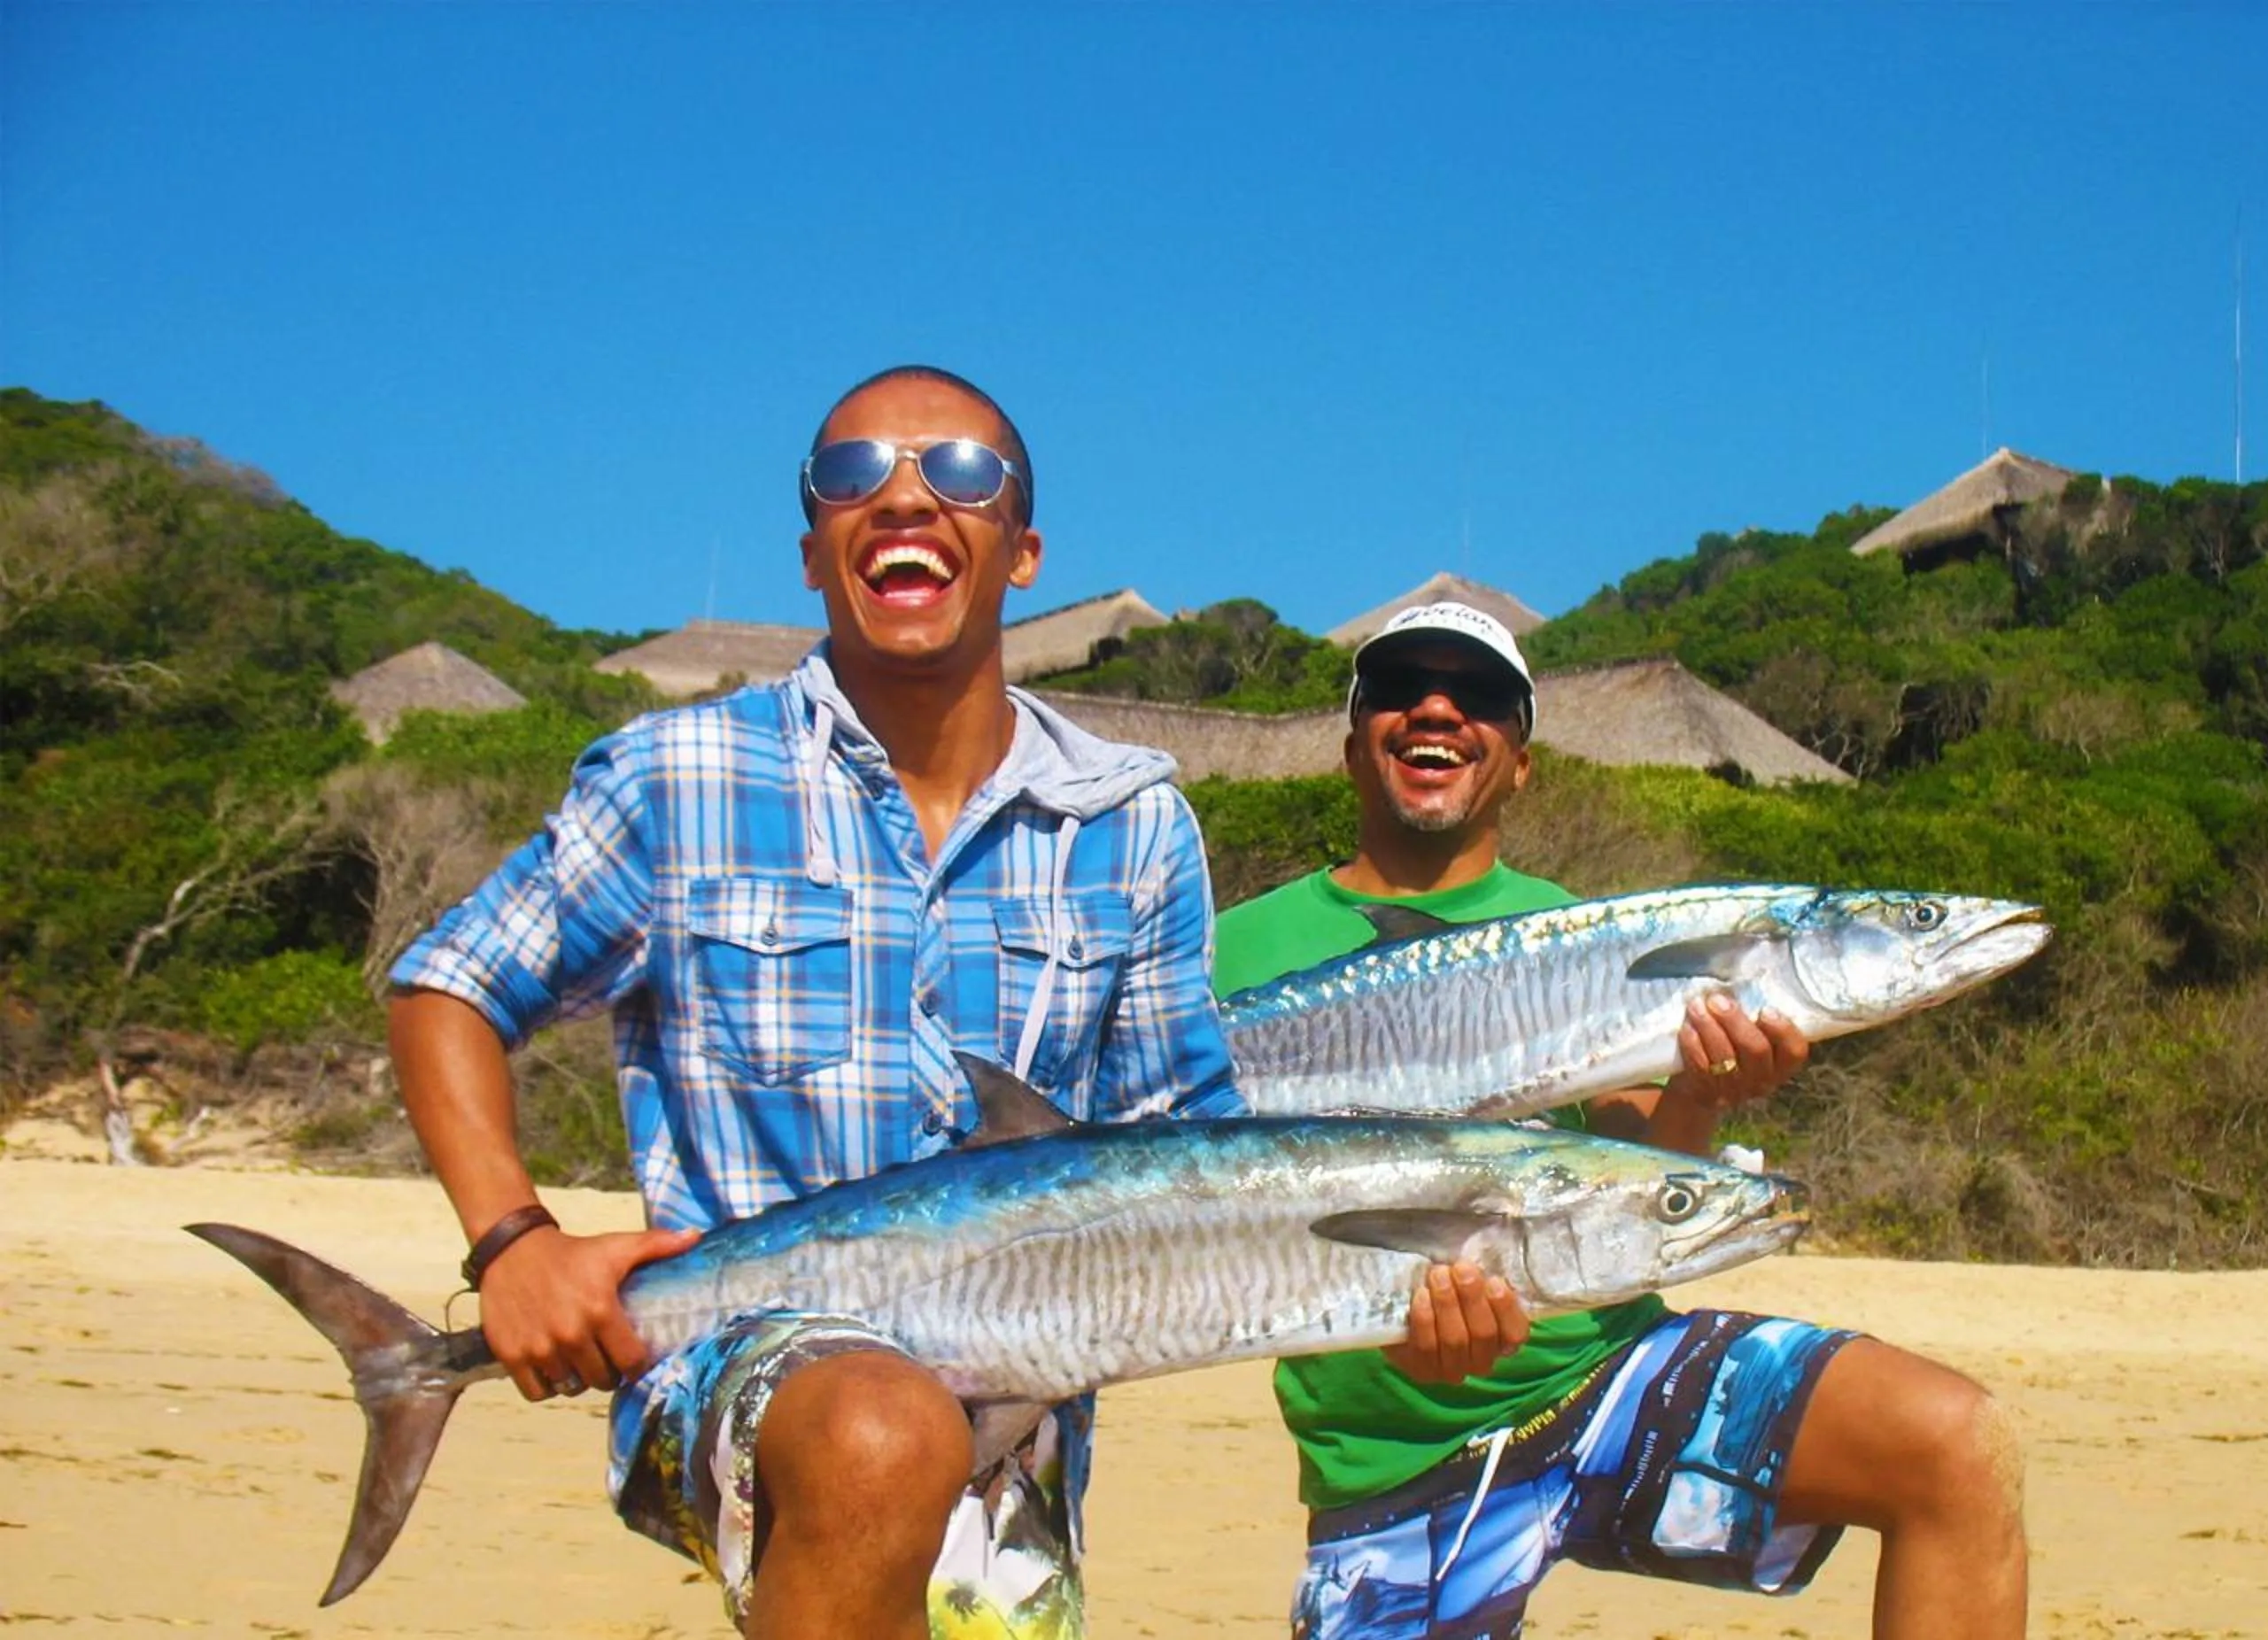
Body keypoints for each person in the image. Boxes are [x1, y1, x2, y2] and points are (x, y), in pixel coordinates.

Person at [387, 364, 1241, 1640]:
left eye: (959, 472)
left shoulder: (1133, 826)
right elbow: (448, 987)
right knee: (879, 1427)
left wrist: (1414, 1297)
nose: (904, 498)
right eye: (854, 475)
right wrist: (513, 1241)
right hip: (736, 1364)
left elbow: (1192, 1140)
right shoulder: (678, 780)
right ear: (810, 553)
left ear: (1023, 551)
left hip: (1017, 1417)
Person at [1212, 603, 2029, 1640]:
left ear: (1521, 764)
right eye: (1399, 687)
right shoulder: (1228, 955)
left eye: (1482, 698)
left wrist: (1703, 1092)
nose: (1437, 708)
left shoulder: (1573, 925)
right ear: (1352, 743)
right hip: (1394, 1449)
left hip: (1605, 1377)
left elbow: (1646, 1172)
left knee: (1955, 1445)